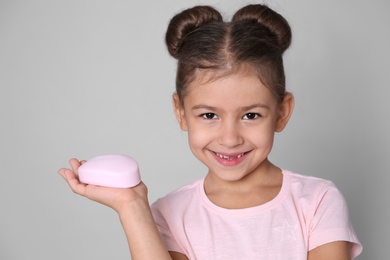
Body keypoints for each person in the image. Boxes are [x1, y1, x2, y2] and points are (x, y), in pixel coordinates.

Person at [58, 4, 362, 259]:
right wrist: (132, 206)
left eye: (251, 115)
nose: (230, 138)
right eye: (209, 115)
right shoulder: (168, 215)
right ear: (181, 112)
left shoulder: (317, 201)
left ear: (281, 112)